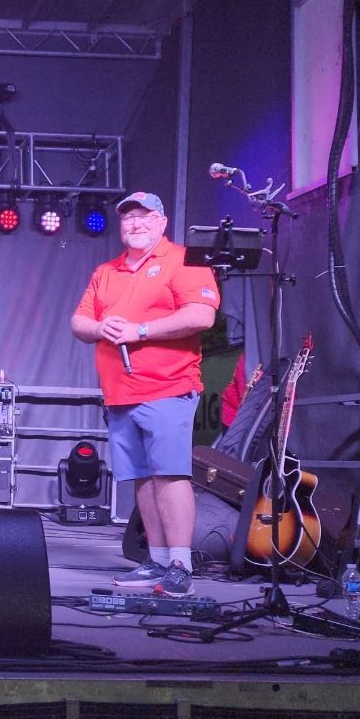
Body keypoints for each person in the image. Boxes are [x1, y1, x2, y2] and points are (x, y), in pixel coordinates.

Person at [70, 191, 219, 597]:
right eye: (128, 218)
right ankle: (154, 559)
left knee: (170, 474)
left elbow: (202, 314)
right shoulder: (107, 271)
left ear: (162, 222)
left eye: (144, 217)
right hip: (119, 393)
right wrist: (100, 328)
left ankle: (179, 563)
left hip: (167, 387)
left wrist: (141, 331)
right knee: (140, 478)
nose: (135, 224)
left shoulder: (185, 261)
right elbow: (79, 321)